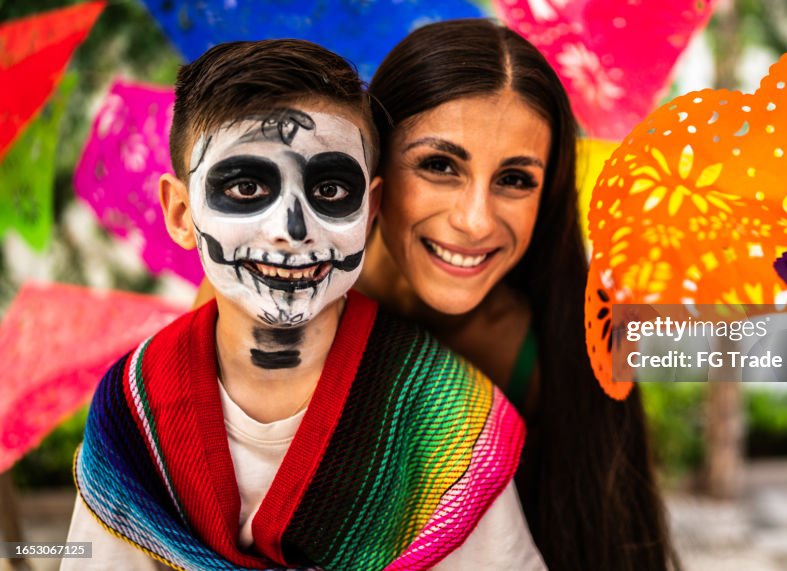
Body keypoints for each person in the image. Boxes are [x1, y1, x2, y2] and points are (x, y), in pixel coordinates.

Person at [64, 39, 544, 570]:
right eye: (246, 186)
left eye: (332, 190)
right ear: (180, 213)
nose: (292, 231)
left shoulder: (445, 413)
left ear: (371, 207)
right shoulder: (137, 406)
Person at [358, 19, 680, 571]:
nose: (475, 220)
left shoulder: (561, 347)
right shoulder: (272, 301)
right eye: (439, 165)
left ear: (547, 193)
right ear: (373, 164)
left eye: (514, 179)